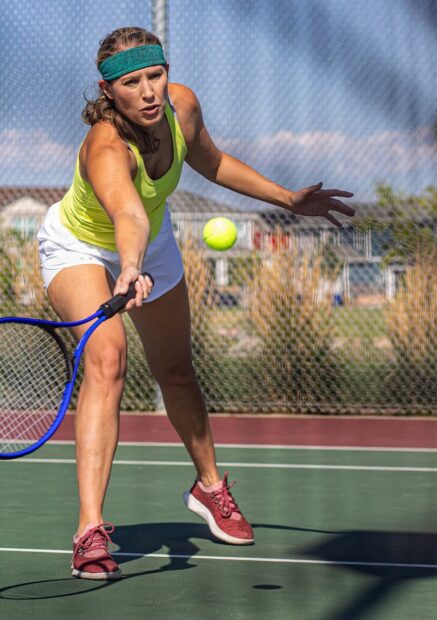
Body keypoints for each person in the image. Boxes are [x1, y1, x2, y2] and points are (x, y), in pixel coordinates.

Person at [37, 26, 355, 580]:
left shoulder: (181, 106)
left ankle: (210, 489)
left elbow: (211, 161)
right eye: (131, 82)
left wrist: (287, 198)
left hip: (151, 245)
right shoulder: (107, 148)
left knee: (176, 369)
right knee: (107, 359)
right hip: (82, 246)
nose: (148, 92)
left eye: (154, 75)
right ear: (107, 91)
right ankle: (90, 529)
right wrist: (128, 268)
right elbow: (127, 214)